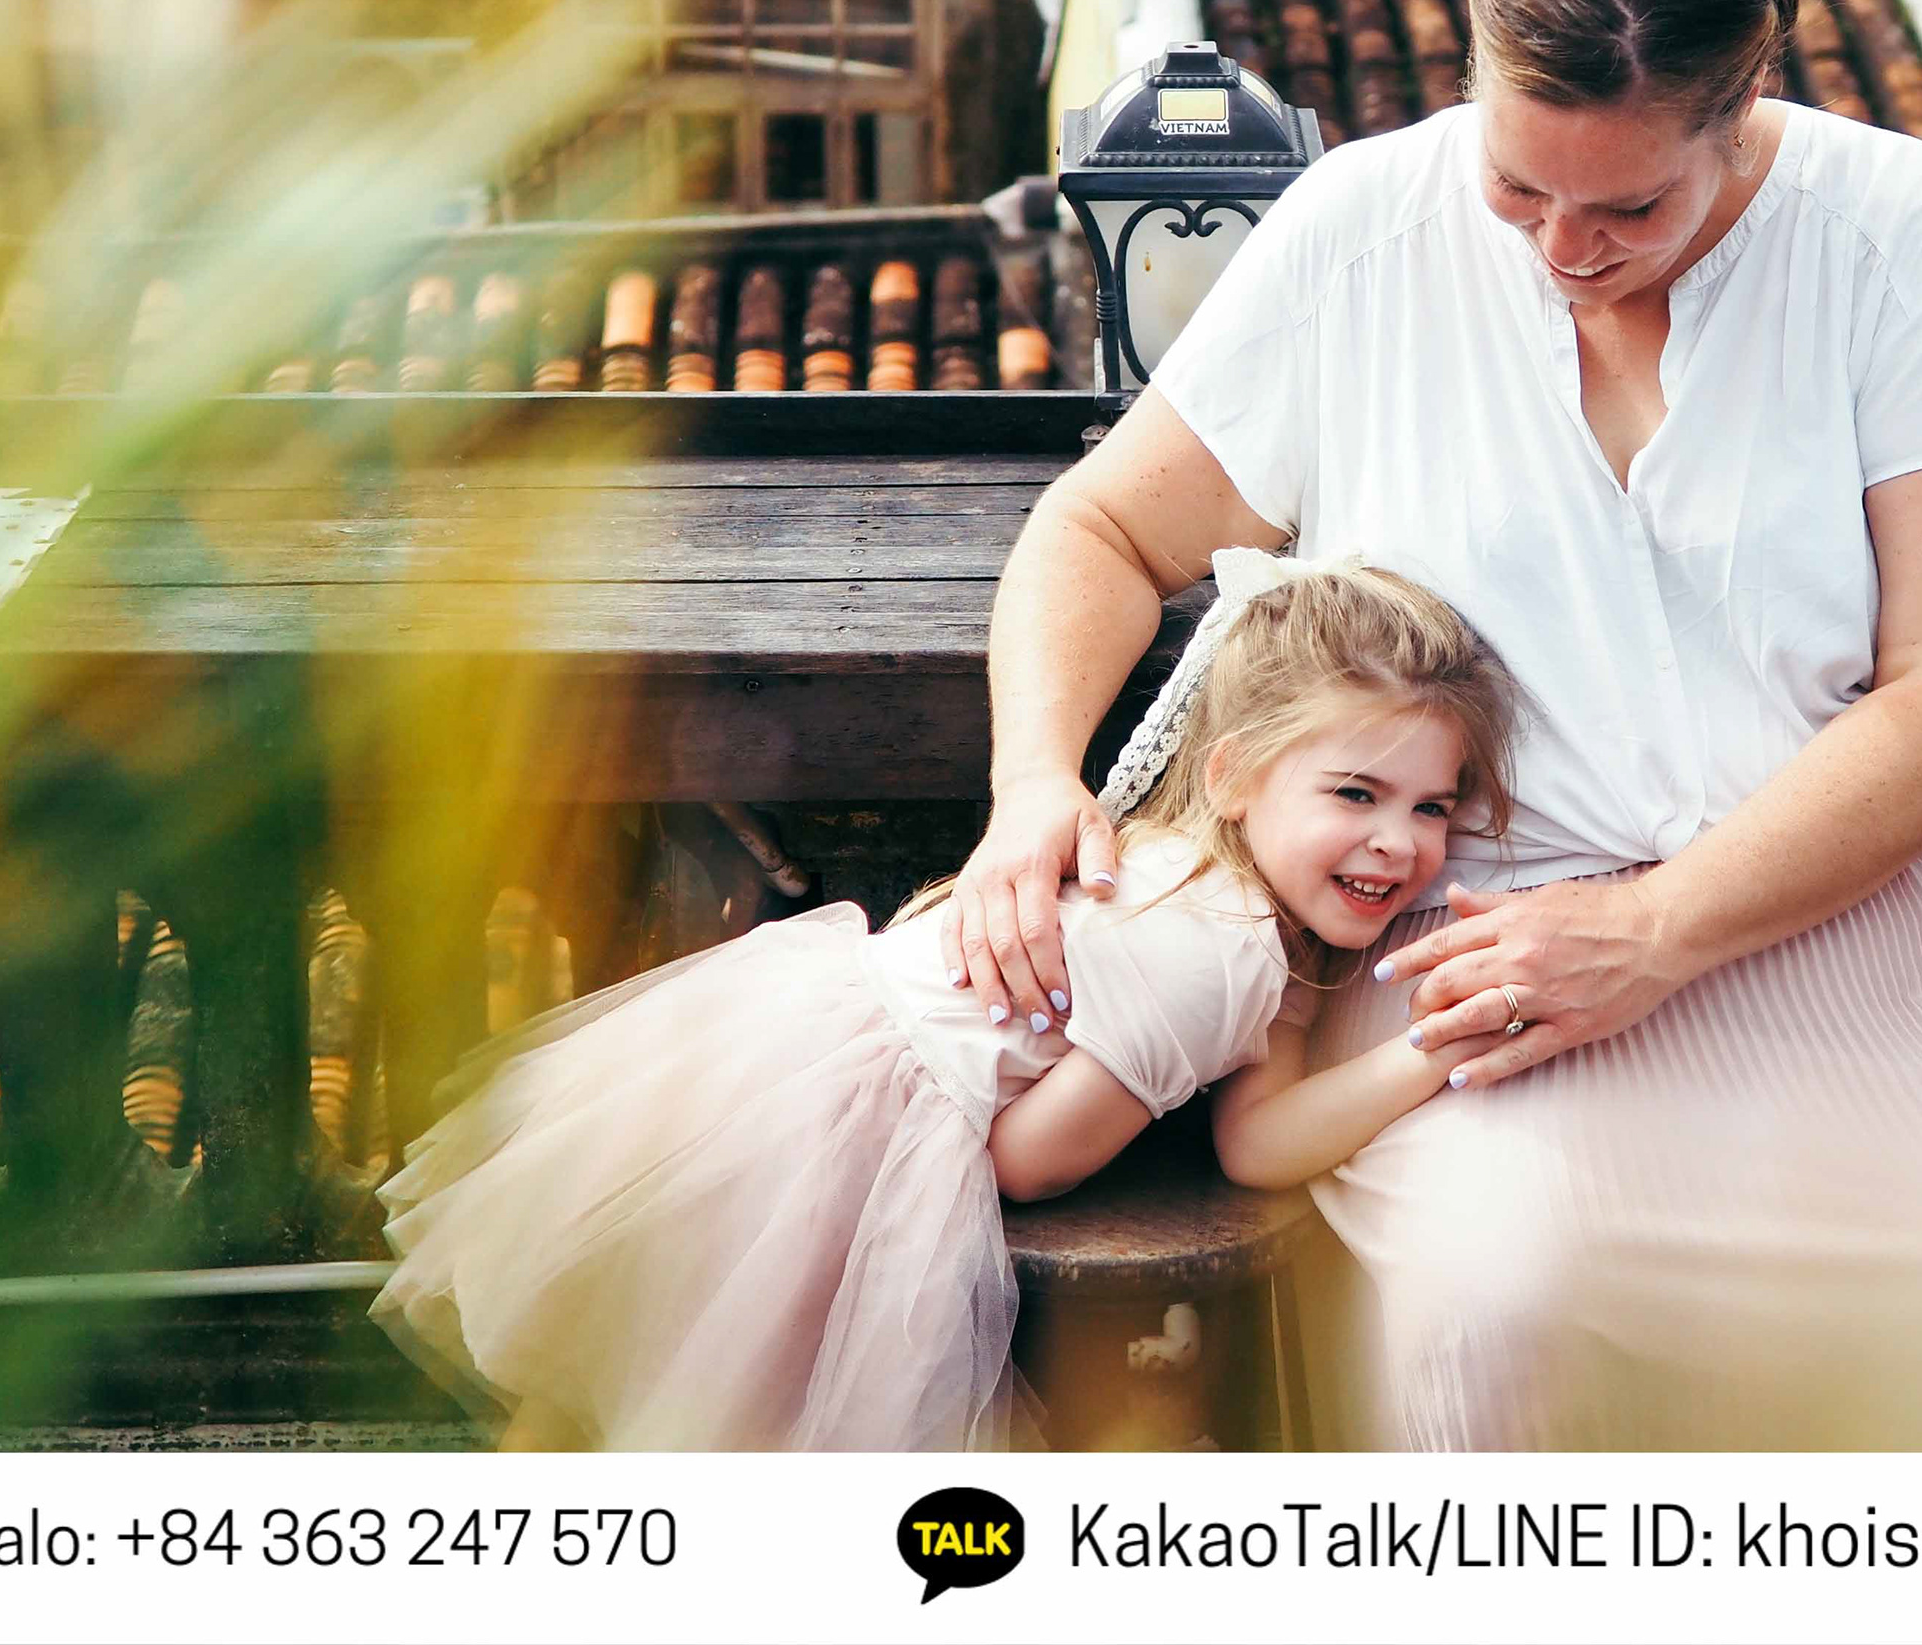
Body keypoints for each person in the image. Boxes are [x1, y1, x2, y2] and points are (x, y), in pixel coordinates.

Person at [947, 0, 1922, 1450]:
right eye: (1520, 191)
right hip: (1462, 967)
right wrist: (1035, 780)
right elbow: (1102, 525)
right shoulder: (1361, 224)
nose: (1566, 248)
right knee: (1496, 1313)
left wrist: (1660, 933)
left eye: (1630, 209)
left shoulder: (1903, 232)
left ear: (1744, 100)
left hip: (1850, 930)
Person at [370, 555, 1517, 1450]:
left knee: (611, 1401)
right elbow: (1029, 1162)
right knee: (723, 1418)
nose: (1398, 843)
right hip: (843, 1138)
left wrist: (1425, 1048)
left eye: (1433, 806)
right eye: (1356, 792)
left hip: (784, 1043)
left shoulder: (1197, 881)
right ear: (1231, 774)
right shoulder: (1219, 958)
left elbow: (1259, 1136)